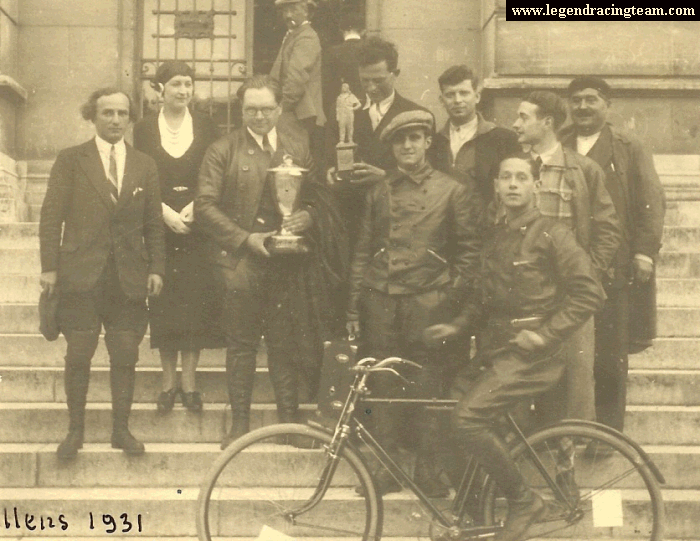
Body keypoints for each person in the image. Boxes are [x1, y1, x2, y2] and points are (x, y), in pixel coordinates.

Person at [425, 154, 606, 541]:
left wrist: (545, 334)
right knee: (446, 419)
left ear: (536, 186)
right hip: (496, 353)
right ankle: (473, 516)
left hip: (532, 357)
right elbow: (481, 301)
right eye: (505, 177)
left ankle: (524, 502)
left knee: (467, 420)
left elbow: (589, 293)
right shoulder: (497, 236)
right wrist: (456, 327)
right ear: (496, 186)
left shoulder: (553, 234)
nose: (512, 184)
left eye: (521, 177)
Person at [195, 75, 348, 450]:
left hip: (287, 263)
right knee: (242, 344)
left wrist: (308, 217)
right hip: (241, 262)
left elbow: (318, 196)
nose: (259, 116)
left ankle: (287, 421)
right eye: (251, 109)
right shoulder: (222, 150)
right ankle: (241, 425)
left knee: (285, 343)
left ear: (279, 109)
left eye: (266, 108)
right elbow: (203, 205)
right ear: (241, 110)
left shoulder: (298, 146)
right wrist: (245, 239)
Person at [347, 110, 483, 497]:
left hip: (429, 304)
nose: (407, 146)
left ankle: (428, 470)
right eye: (399, 140)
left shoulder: (452, 189)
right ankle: (386, 469)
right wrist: (353, 307)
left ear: (427, 142)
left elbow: (470, 254)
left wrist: (448, 297)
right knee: (382, 387)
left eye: (415, 138)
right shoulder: (379, 190)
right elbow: (363, 250)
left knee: (430, 389)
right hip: (382, 302)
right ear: (391, 147)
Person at [39, 88, 165, 459]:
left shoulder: (145, 163)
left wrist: (156, 267)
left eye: (122, 114)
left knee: (125, 353)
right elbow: (51, 217)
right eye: (107, 113)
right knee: (79, 353)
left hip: (128, 276)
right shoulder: (71, 160)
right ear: (92, 117)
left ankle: (120, 431)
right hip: (80, 274)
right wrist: (49, 267)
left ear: (130, 118)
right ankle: (75, 432)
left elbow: (154, 222)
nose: (114, 120)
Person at [560, 76, 665, 432]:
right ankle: (567, 431)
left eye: (591, 99)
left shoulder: (628, 146)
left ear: (608, 104)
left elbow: (651, 201)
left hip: (613, 267)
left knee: (609, 355)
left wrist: (645, 252)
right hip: (566, 265)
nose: (583, 107)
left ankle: (606, 432)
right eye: (576, 101)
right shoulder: (559, 143)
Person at [511, 91, 621, 425]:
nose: (515, 124)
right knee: (515, 383)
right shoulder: (514, 170)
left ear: (547, 123)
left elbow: (608, 229)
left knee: (576, 384)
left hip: (570, 298)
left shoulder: (582, 170)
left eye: (523, 117)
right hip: (524, 295)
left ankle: (569, 467)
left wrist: (588, 274)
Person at [133, 61, 225, 414]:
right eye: (175, 84)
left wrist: (196, 207)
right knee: (165, 303)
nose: (183, 91)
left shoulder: (206, 126)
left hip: (196, 225)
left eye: (188, 84)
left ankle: (190, 382)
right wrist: (162, 212)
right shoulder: (142, 129)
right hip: (159, 226)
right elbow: (140, 174)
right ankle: (167, 382)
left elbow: (213, 173)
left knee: (195, 302)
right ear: (160, 89)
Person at [328, 36, 431, 249]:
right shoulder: (343, 111)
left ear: (396, 75)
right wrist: (329, 172)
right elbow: (326, 156)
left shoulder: (416, 115)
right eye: (364, 80)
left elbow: (431, 178)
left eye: (379, 80)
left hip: (396, 222)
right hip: (350, 222)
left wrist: (386, 177)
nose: (371, 87)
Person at [431, 64, 520, 205]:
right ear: (442, 101)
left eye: (464, 93)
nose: (457, 100)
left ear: (477, 97)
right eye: (450, 95)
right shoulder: (434, 142)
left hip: (485, 223)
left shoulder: (504, 139)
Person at [270, 0, 326, 170]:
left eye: (293, 9)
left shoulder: (306, 37)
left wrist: (279, 108)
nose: (288, 15)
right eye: (285, 11)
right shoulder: (293, 35)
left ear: (307, 11)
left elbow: (296, 80)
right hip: (291, 111)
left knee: (292, 163)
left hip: (298, 113)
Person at [322, 9, 365, 124]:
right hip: (366, 109)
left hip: (339, 111)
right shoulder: (370, 50)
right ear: (364, 31)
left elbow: (327, 88)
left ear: (342, 31)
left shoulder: (331, 52)